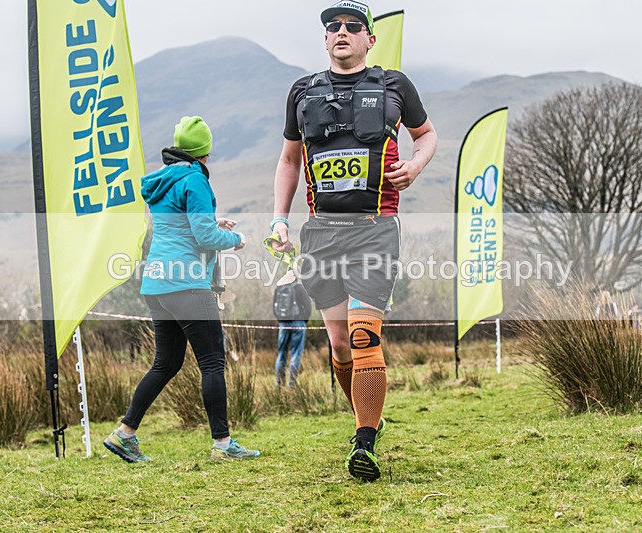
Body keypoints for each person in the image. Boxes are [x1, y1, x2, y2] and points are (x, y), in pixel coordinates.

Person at [269, 0, 437, 481]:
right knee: (340, 345)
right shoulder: (302, 92)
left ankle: (365, 442)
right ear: (325, 40)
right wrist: (279, 220)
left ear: (369, 38)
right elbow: (287, 160)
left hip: (375, 228)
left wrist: (416, 164)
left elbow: (427, 136)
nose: (341, 32)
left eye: (352, 26)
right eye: (333, 27)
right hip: (321, 233)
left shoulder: (394, 86)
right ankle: (368, 416)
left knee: (365, 339)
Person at [104, 116, 260, 463]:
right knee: (212, 363)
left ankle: (124, 434)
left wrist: (213, 221)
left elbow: (182, 224)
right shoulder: (196, 181)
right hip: (187, 283)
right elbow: (204, 237)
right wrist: (236, 239)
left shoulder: (163, 180)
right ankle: (223, 445)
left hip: (157, 282)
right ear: (205, 152)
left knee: (166, 363)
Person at [273, 270, 313, 387]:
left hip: (283, 324)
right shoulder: (300, 288)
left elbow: (274, 308)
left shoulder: (279, 288)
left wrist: (281, 320)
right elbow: (308, 308)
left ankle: (279, 384)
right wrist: (303, 321)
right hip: (298, 324)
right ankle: (292, 385)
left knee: (281, 354)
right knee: (296, 354)